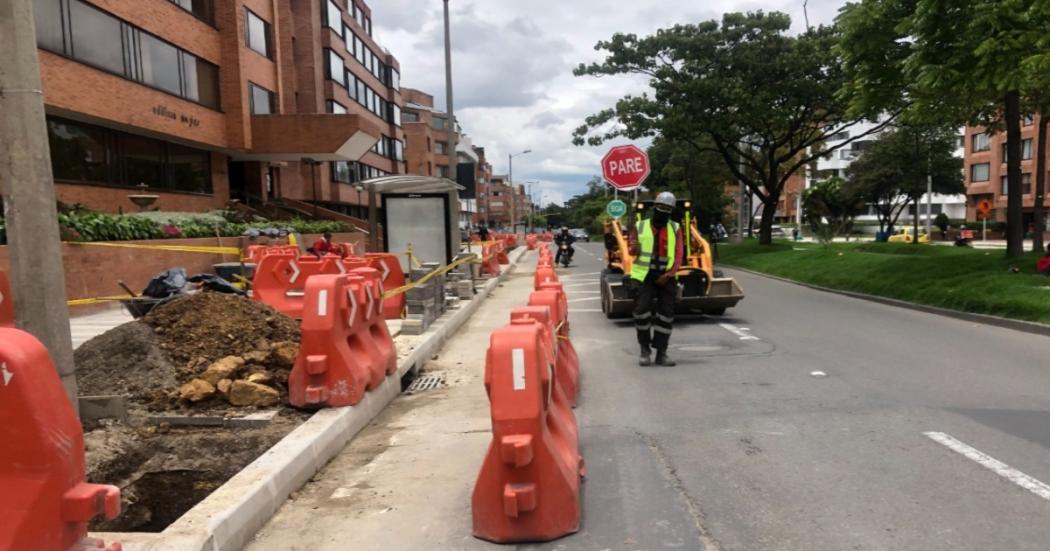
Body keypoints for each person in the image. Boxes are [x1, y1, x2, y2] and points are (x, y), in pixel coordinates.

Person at [628, 192, 684, 367]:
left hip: (665, 278)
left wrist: (667, 275)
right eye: (660, 208)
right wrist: (633, 248)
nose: (663, 212)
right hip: (644, 276)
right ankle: (645, 350)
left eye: (667, 210)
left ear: (671, 211)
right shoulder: (640, 226)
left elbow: (678, 255)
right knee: (642, 312)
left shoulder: (675, 228)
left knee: (666, 315)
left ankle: (662, 353)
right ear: (654, 208)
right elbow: (632, 252)